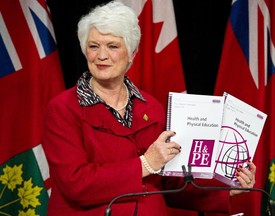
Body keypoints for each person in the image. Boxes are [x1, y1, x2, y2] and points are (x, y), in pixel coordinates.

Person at [42, 1, 256, 215]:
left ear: (132, 53)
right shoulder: (63, 108)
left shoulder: (152, 107)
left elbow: (168, 185)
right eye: (93, 46)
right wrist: (145, 163)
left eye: (113, 46)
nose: (101, 56)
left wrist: (227, 190)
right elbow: (76, 183)